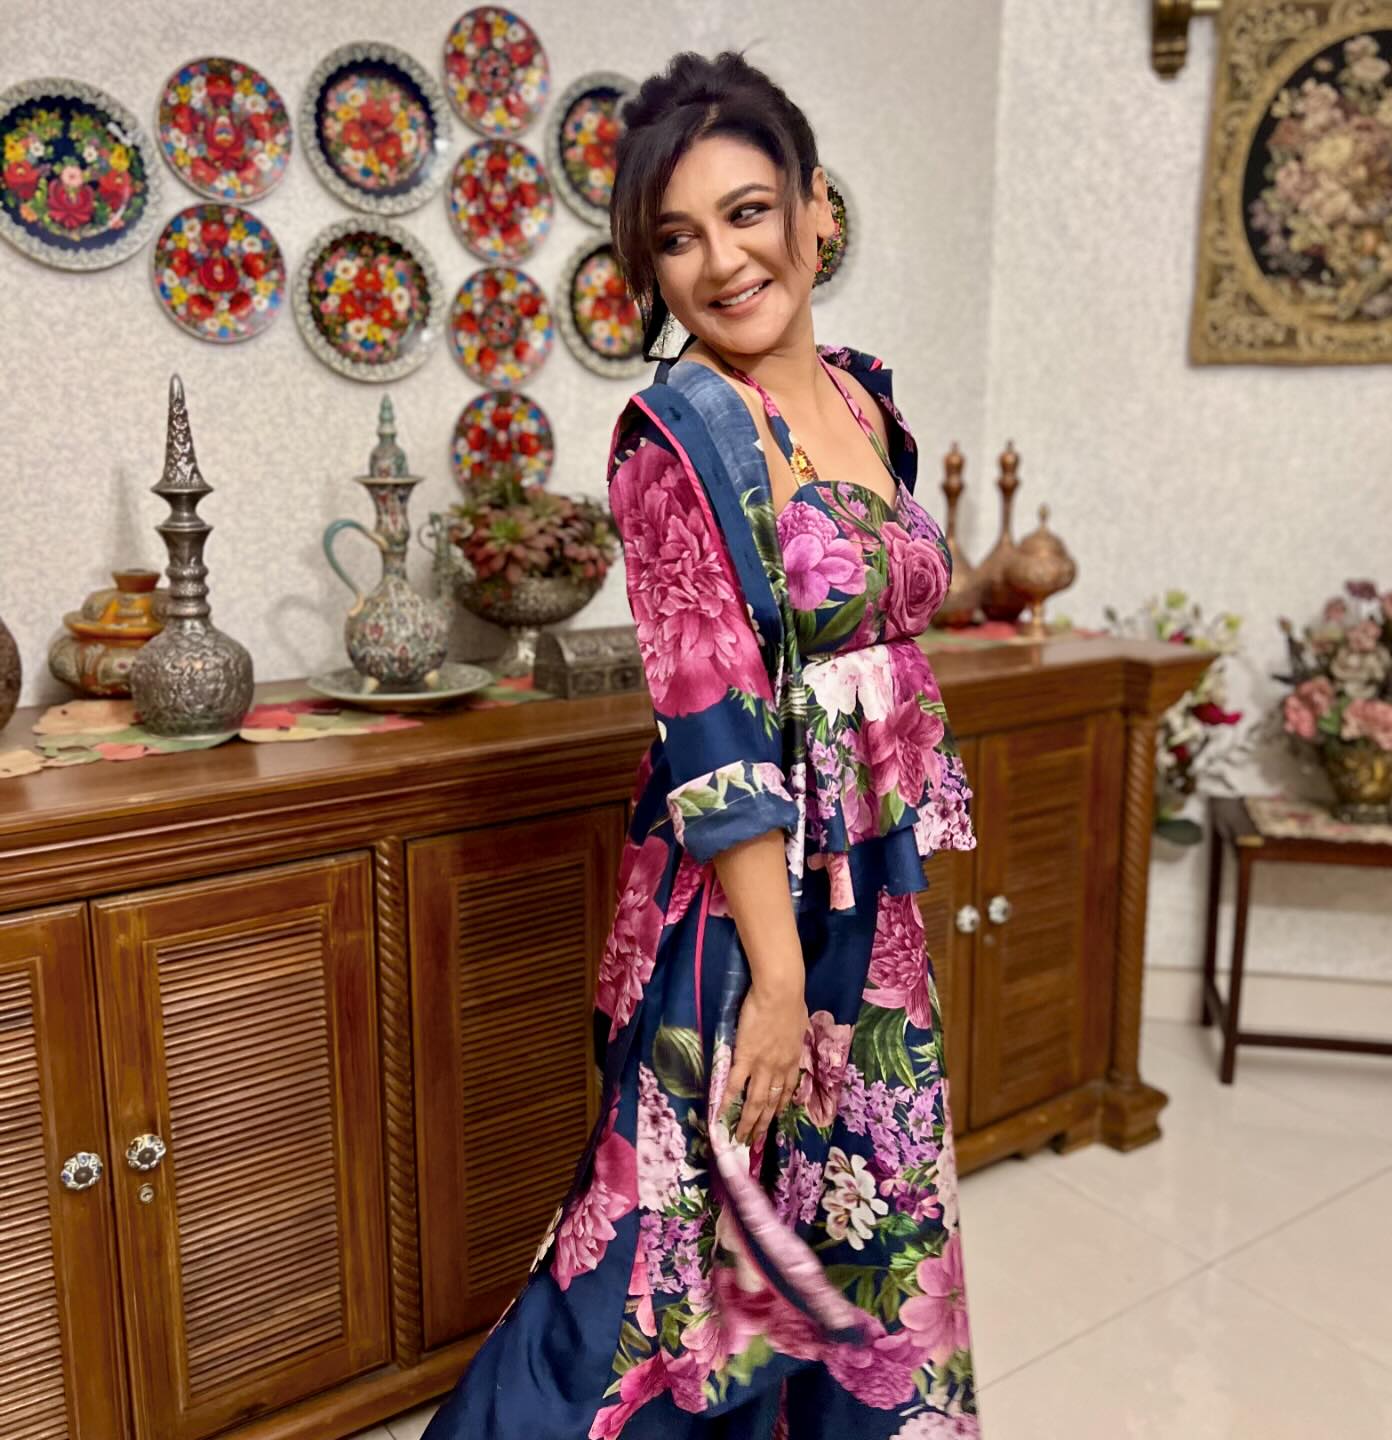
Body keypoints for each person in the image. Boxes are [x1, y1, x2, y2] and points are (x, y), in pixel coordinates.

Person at [424, 50, 981, 1440]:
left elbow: (884, 620)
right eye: (677, 238)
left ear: (813, 210)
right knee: (667, 1275)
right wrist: (775, 980)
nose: (723, 261)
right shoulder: (676, 442)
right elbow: (711, 719)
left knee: (857, 1231)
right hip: (745, 915)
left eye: (747, 212)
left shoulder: (865, 401)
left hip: (866, 896)